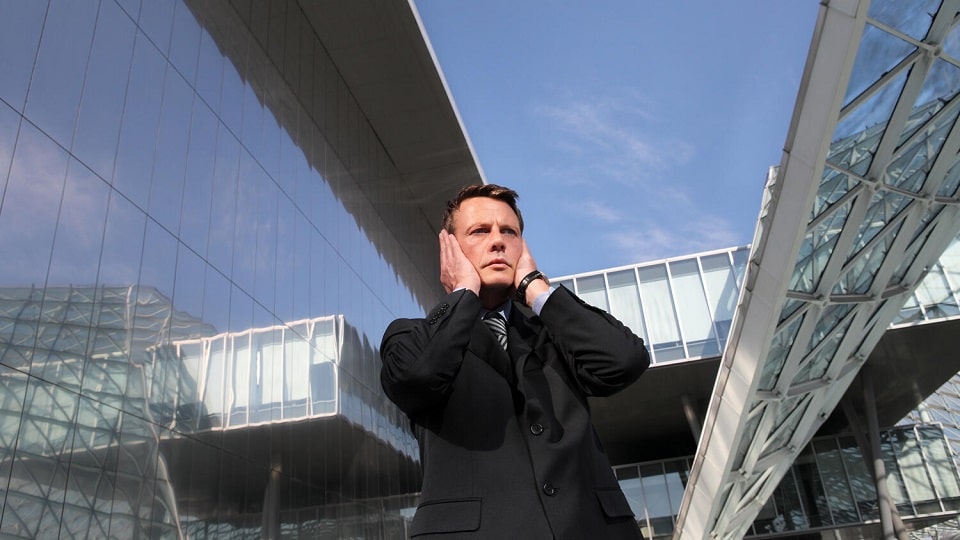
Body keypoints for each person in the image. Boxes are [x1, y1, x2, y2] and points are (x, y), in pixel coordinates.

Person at [380, 184, 650, 539]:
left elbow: (625, 361)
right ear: (451, 249)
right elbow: (416, 376)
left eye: (509, 232)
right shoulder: (412, 337)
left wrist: (535, 287)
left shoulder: (556, 332)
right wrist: (464, 290)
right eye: (480, 231)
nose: (498, 241)